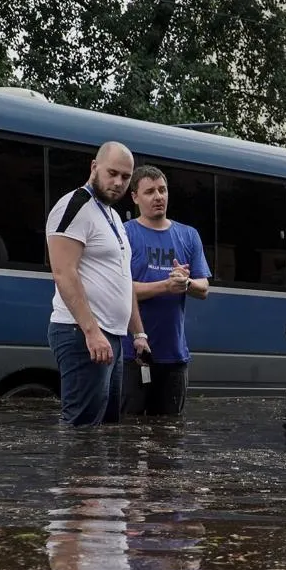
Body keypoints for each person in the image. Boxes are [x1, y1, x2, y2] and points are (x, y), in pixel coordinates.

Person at [46, 142, 151, 426]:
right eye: (112, 173)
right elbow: (64, 272)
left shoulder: (114, 216)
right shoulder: (74, 205)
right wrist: (91, 333)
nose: (118, 182)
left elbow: (123, 278)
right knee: (81, 429)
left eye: (125, 177)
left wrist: (138, 333)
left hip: (112, 337)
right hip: (81, 334)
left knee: (105, 427)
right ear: (94, 167)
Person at [121, 165, 211, 418]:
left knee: (169, 438)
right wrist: (165, 286)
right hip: (132, 353)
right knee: (129, 434)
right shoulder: (125, 234)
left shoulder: (188, 235)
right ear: (135, 197)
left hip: (175, 356)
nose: (158, 197)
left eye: (162, 190)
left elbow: (203, 288)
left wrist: (186, 282)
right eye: (149, 191)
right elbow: (119, 289)